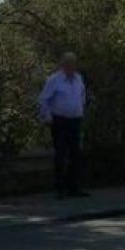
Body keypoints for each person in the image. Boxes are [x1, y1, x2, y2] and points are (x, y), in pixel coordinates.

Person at [38, 52, 87, 198]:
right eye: (68, 63)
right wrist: (47, 117)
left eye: (73, 63)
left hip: (75, 120)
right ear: (63, 65)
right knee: (61, 154)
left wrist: (79, 109)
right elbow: (43, 99)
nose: (71, 66)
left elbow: (82, 96)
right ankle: (59, 189)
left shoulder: (78, 78)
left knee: (75, 154)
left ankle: (74, 188)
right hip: (59, 120)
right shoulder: (54, 80)